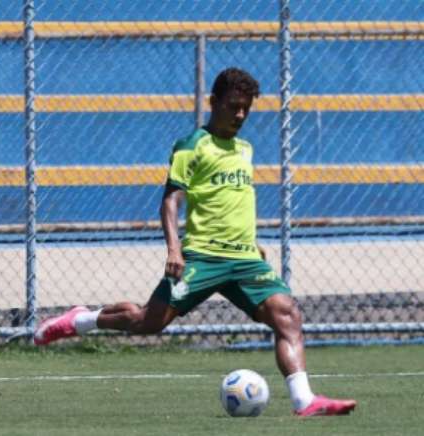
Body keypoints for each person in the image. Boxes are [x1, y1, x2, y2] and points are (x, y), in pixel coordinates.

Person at [34, 67, 357, 417]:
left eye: (246, 108)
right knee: (148, 322)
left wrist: (252, 242)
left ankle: (303, 400)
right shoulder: (192, 145)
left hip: (245, 259)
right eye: (233, 106)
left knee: (287, 315)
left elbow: (233, 199)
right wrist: (174, 248)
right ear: (213, 102)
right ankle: (81, 320)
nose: (240, 115)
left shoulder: (245, 149)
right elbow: (171, 200)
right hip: (201, 257)